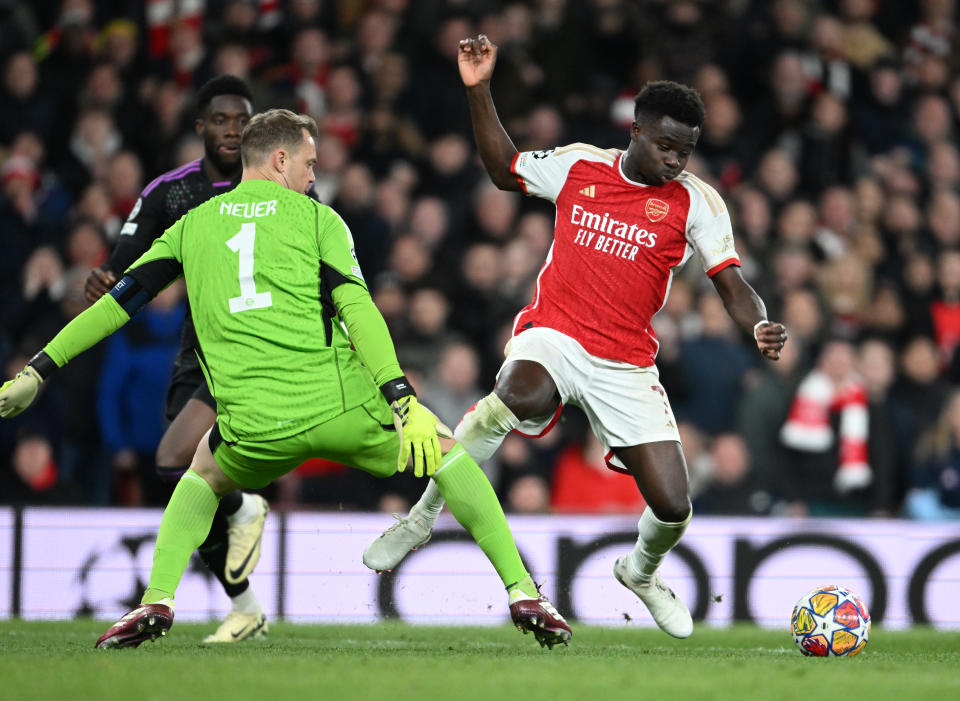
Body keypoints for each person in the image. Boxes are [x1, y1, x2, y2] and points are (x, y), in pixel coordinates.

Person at [0, 108, 571, 651]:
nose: (313, 174)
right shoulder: (319, 218)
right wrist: (402, 396)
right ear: (278, 160)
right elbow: (359, 310)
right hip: (341, 407)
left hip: (253, 425)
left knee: (200, 474)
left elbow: (115, 306)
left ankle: (157, 599)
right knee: (451, 458)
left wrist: (38, 369)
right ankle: (522, 591)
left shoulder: (190, 226)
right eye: (309, 163)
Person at [362, 35, 787, 639]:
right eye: (665, 146)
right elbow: (503, 168)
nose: (674, 161)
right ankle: (423, 515)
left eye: (685, 152)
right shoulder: (582, 165)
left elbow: (732, 283)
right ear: (635, 130)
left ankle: (639, 572)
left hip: (626, 364)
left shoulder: (696, 201)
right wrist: (479, 89)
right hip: (555, 333)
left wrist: (758, 323)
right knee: (520, 394)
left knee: (673, 505)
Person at [83, 75, 270, 643]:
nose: (232, 130)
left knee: (180, 460)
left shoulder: (280, 187)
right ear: (201, 127)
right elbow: (124, 260)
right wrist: (107, 276)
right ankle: (245, 604)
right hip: (201, 344)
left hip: (262, 343)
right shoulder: (172, 191)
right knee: (176, 468)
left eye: (242, 120)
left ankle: (244, 513)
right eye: (221, 120)